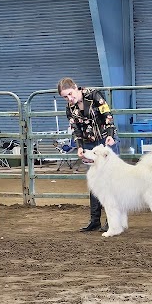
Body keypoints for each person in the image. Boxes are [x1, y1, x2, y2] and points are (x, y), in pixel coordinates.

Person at [57, 77, 118, 232]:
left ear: (76, 87)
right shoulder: (69, 109)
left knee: (111, 181)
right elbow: (75, 130)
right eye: (65, 97)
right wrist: (79, 147)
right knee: (95, 181)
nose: (69, 98)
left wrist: (110, 135)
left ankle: (112, 221)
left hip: (106, 140)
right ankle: (94, 220)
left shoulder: (94, 95)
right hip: (89, 144)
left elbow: (108, 116)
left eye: (70, 94)